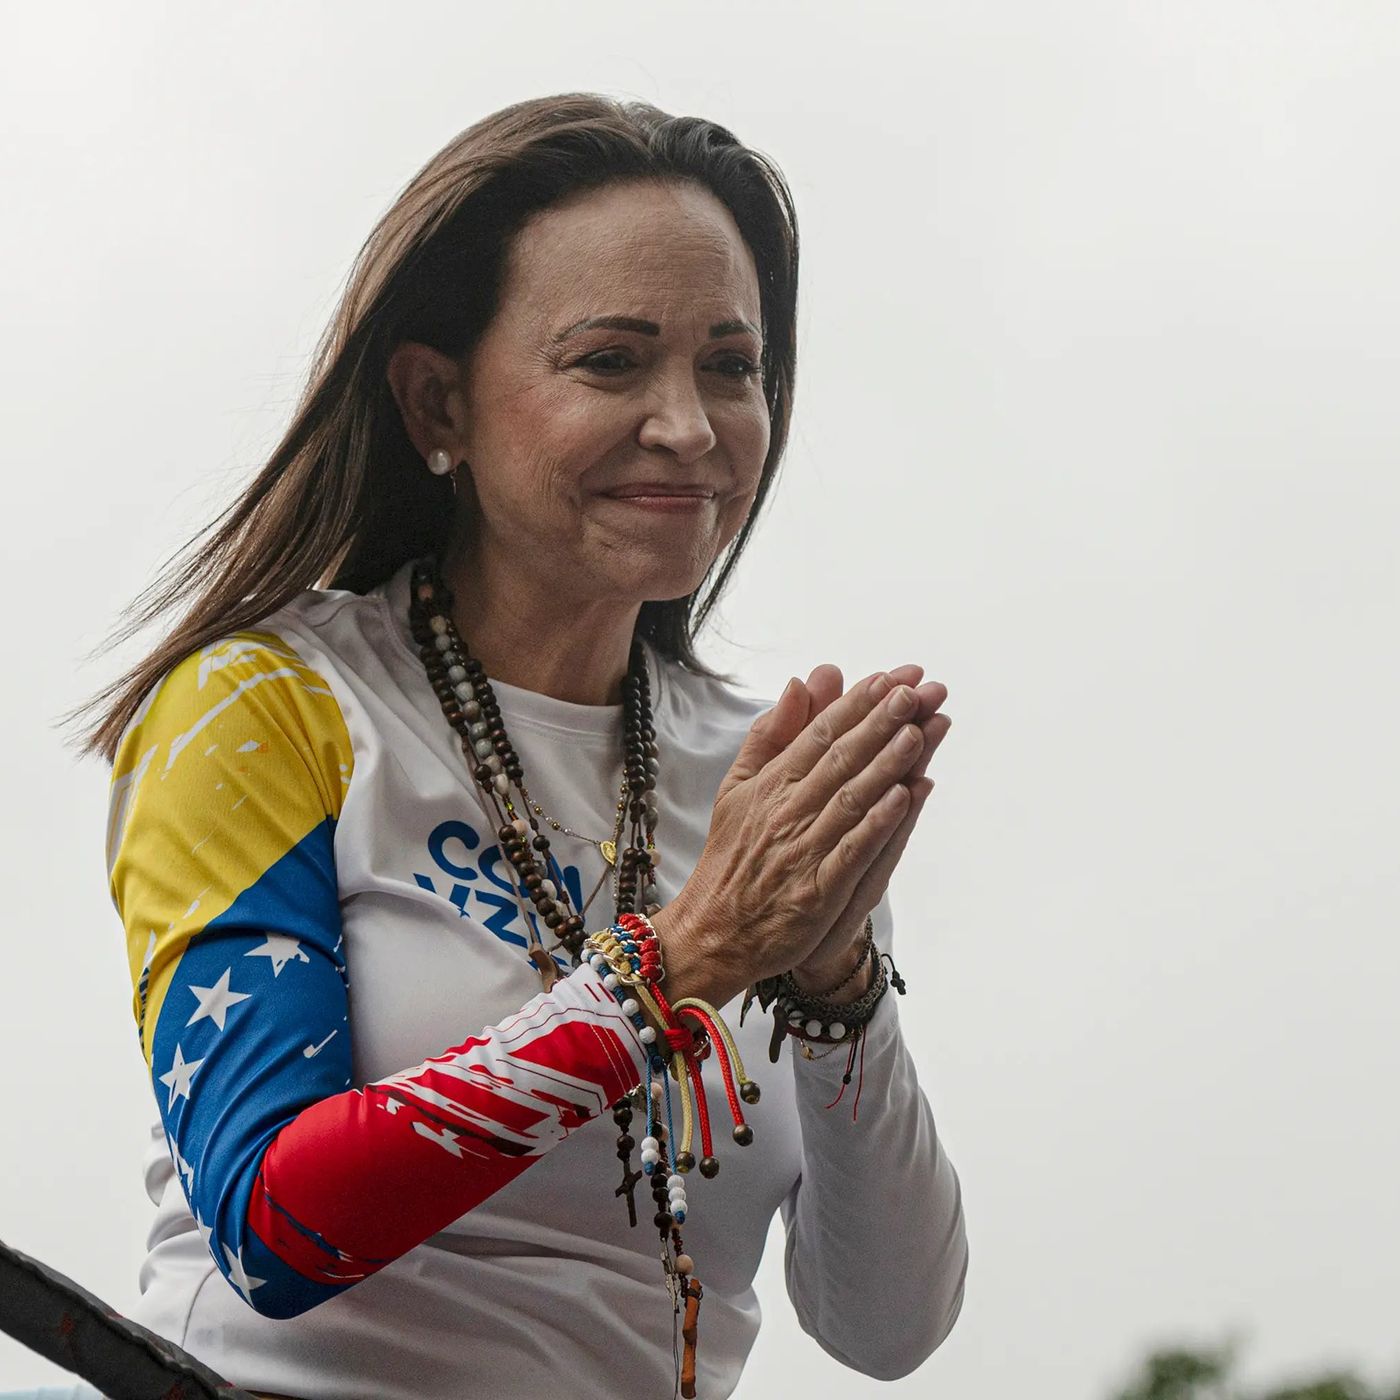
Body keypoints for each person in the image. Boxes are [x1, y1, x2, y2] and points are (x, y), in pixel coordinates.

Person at [75, 92, 968, 1400]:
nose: (691, 427)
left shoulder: (762, 782)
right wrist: (686, 960)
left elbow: (888, 1329)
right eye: (611, 362)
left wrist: (836, 984)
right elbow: (272, 1221)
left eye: (732, 366)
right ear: (436, 402)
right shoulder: (264, 703)